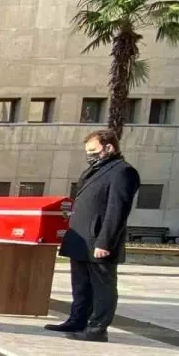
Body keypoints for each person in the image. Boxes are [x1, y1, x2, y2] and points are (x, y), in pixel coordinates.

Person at [46, 129, 140, 342]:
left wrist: (105, 241)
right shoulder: (95, 171)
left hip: (99, 240)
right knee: (80, 284)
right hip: (81, 239)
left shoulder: (123, 172)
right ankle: (77, 320)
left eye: (93, 150)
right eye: (87, 151)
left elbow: (117, 210)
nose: (90, 155)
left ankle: (97, 328)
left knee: (102, 287)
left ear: (109, 147)